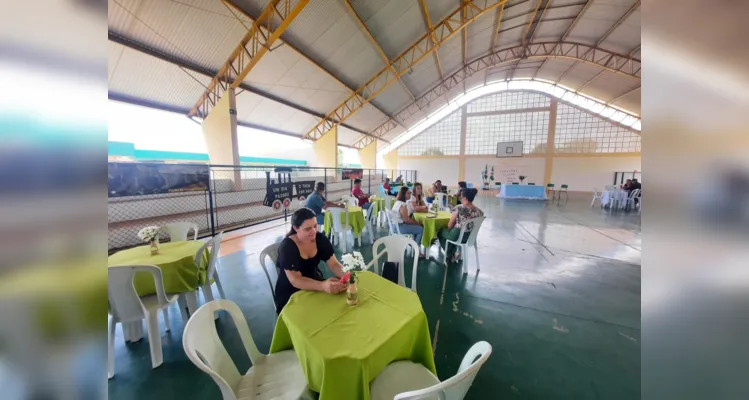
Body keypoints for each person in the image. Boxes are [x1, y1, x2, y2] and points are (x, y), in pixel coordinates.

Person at [274, 208, 348, 313]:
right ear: (296, 228)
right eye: (307, 229)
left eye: (315, 226)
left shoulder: (320, 239)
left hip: (315, 283)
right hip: (290, 292)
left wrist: (347, 275)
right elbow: (295, 280)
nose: (313, 231)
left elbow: (334, 264)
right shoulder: (288, 247)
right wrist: (323, 286)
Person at [437, 188, 484, 262]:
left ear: (465, 198)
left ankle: (449, 254)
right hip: (470, 237)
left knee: (440, 232)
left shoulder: (459, 208)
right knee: (451, 236)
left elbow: (450, 225)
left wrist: (448, 229)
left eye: (461, 197)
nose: (460, 198)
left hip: (458, 235)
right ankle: (453, 254)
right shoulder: (480, 212)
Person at [392, 187, 425, 257]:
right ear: (403, 194)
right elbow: (407, 220)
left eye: (410, 193)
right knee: (420, 229)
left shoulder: (398, 202)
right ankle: (417, 250)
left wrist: (415, 223)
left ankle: (414, 243)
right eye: (408, 193)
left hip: (394, 226)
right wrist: (417, 223)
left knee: (417, 227)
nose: (410, 194)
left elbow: (406, 219)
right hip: (400, 227)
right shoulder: (403, 205)